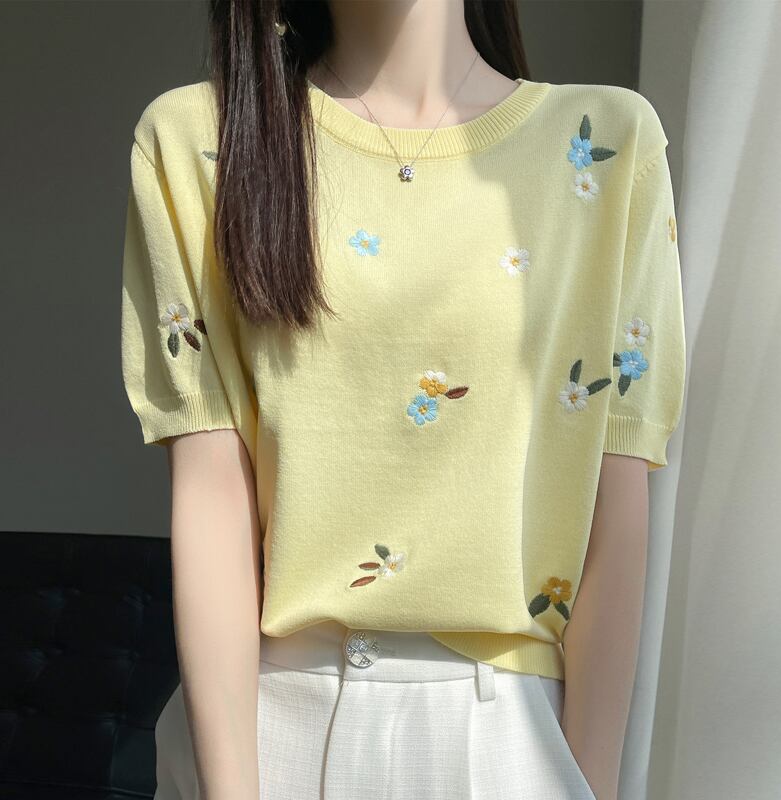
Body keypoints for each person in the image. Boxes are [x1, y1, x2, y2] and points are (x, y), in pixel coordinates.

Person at [119, 1, 686, 798]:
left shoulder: (606, 142)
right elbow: (212, 487)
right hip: (265, 726)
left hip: (507, 732)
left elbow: (613, 496)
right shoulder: (197, 140)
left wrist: (587, 783)